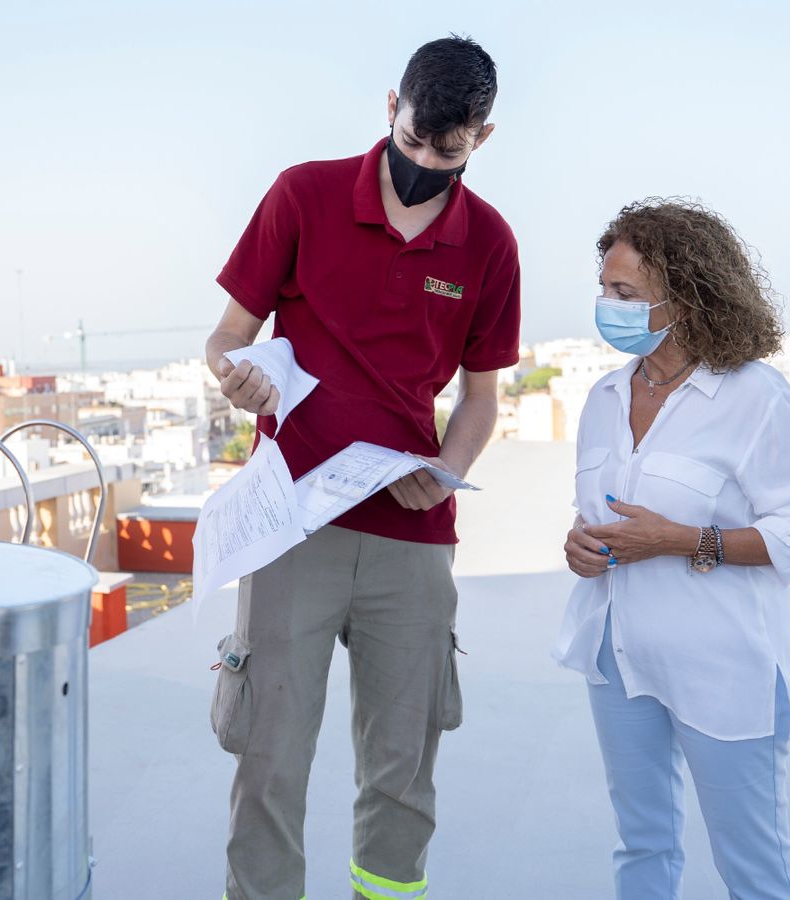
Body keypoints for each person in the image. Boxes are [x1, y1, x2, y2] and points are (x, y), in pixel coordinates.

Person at [205, 36, 520, 900]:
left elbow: (481, 398)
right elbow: (227, 335)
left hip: (411, 536)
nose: (424, 163)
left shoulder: (490, 244)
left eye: (447, 153)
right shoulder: (302, 194)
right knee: (269, 757)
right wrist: (234, 375)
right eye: (412, 140)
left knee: (402, 768)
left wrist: (447, 469)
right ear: (390, 108)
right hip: (289, 523)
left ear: (482, 139)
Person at [554, 199, 790, 899]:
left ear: (683, 297)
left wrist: (678, 541)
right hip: (617, 657)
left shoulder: (755, 397)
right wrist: (579, 544)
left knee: (753, 866)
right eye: (604, 288)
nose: (607, 305)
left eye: (625, 292)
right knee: (641, 845)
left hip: (722, 667)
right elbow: (599, 512)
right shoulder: (604, 396)